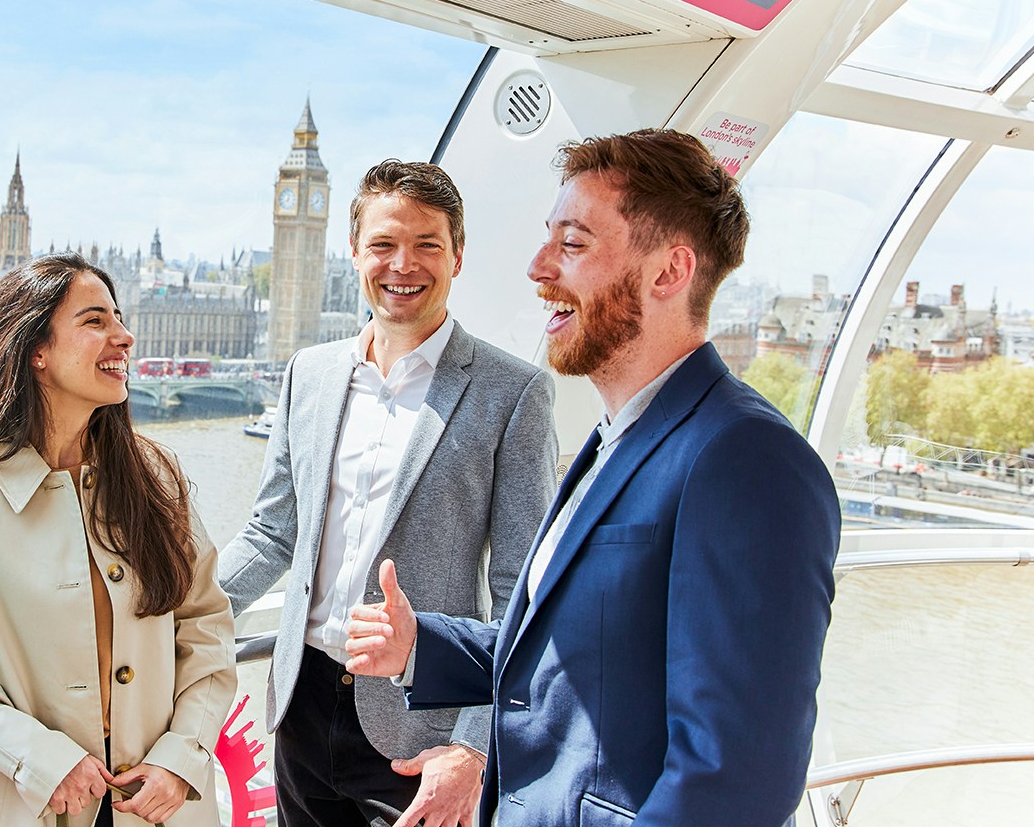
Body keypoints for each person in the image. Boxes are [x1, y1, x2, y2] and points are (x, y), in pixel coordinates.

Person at [346, 129, 841, 826]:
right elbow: (573, 656)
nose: (538, 266)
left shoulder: (747, 459)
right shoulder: (617, 436)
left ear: (668, 272)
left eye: (572, 245)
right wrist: (418, 645)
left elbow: (735, 782)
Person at [219, 160, 557, 826]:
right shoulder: (310, 375)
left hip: (420, 734)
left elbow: (526, 589)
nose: (403, 264)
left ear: (457, 256)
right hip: (302, 709)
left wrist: (473, 747)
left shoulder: (513, 393)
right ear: (354, 252)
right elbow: (270, 535)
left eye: (427, 244)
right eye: (383, 244)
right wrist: (167, 615)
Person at [0, 253, 236, 827]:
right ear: (34, 351)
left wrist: (182, 756)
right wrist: (34, 756)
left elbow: (205, 628)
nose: (124, 336)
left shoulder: (154, 479)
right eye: (95, 321)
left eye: (118, 318)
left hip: (157, 804)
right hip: (27, 803)